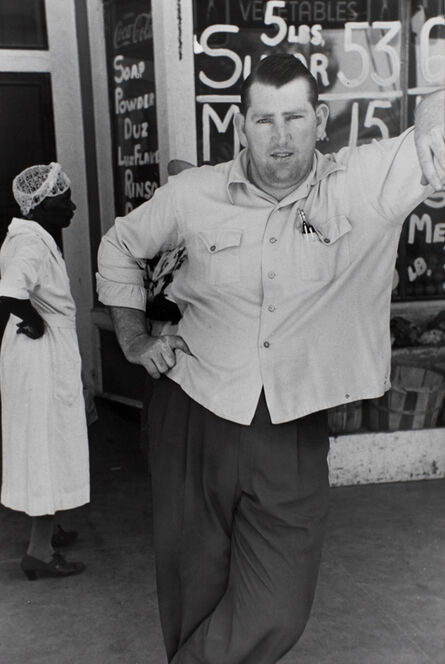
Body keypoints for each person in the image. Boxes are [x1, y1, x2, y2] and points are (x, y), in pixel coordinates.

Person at [97, 55, 445, 663]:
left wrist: (434, 118)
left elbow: (429, 140)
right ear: (240, 123)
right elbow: (119, 247)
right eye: (264, 120)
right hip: (192, 410)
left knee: (278, 608)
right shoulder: (192, 194)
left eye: (294, 118)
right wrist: (132, 339)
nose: (280, 137)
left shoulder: (361, 185)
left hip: (292, 427)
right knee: (193, 586)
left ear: (321, 118)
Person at [0, 162, 90, 580]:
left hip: (40, 354)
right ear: (39, 206)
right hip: (39, 356)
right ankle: (38, 552)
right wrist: (35, 319)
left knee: (47, 438)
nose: (71, 207)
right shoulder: (31, 244)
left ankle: (47, 529)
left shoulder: (33, 236)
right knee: (45, 445)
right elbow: (10, 292)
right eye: (63, 200)